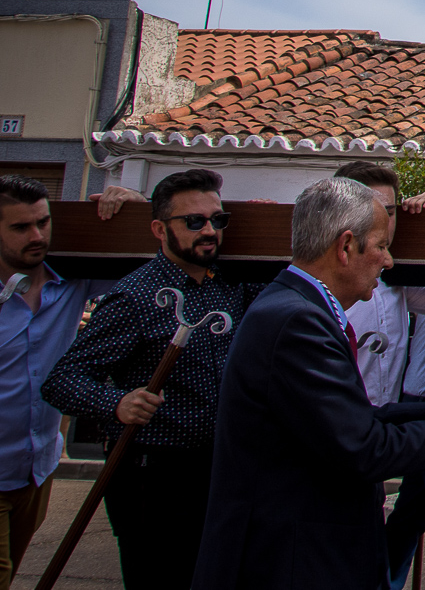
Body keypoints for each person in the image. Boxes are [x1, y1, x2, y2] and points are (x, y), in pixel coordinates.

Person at [192, 177, 425, 590]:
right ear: (345, 247)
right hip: (290, 561)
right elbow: (360, 448)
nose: (388, 261)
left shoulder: (298, 308)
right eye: (380, 246)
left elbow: (343, 420)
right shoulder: (297, 321)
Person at [41, 169, 266, 590]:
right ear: (160, 229)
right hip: (151, 479)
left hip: (219, 472)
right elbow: (63, 379)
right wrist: (117, 403)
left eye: (218, 220)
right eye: (194, 221)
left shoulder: (235, 287)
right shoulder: (136, 296)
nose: (209, 231)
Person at [331, 162, 425, 590]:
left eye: (389, 210)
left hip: (388, 423)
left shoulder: (399, 280)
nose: (382, 222)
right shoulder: (310, 300)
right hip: (340, 437)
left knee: (412, 522)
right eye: (369, 210)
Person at [0, 176, 122, 590]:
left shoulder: (71, 280)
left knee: (13, 567)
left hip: (36, 468)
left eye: (43, 222)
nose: (37, 236)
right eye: (20, 227)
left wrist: (134, 203)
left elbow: (147, 268)